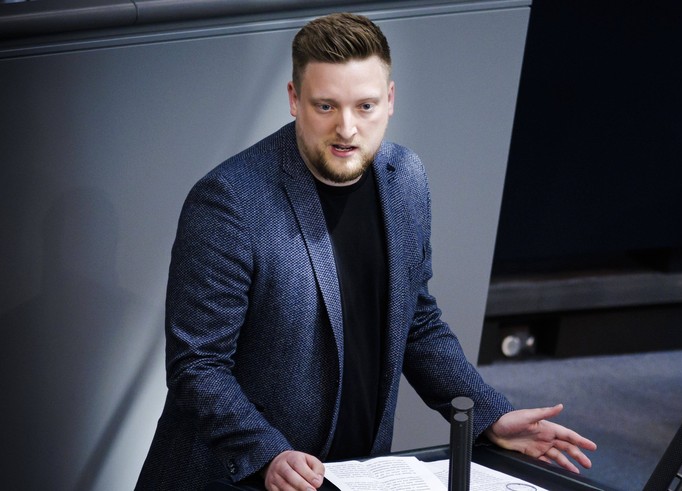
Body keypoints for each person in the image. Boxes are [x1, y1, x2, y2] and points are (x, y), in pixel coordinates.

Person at [135, 12, 596, 491]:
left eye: (366, 106)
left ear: (390, 100)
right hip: (236, 479)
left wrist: (488, 414)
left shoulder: (406, 181)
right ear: (294, 100)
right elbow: (198, 365)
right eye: (326, 106)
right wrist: (268, 453)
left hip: (352, 474)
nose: (347, 129)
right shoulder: (229, 202)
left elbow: (415, 320)